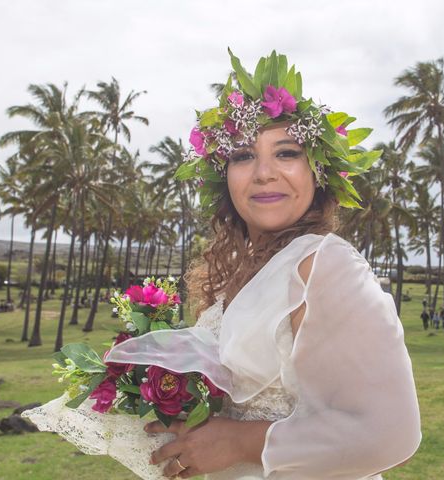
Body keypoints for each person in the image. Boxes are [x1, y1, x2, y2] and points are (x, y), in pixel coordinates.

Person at [25, 50, 421, 480]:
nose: (264, 173)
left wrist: (236, 442)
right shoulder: (244, 272)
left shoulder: (324, 264)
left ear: (318, 173)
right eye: (242, 156)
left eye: (286, 153)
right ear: (225, 176)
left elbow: (389, 433)